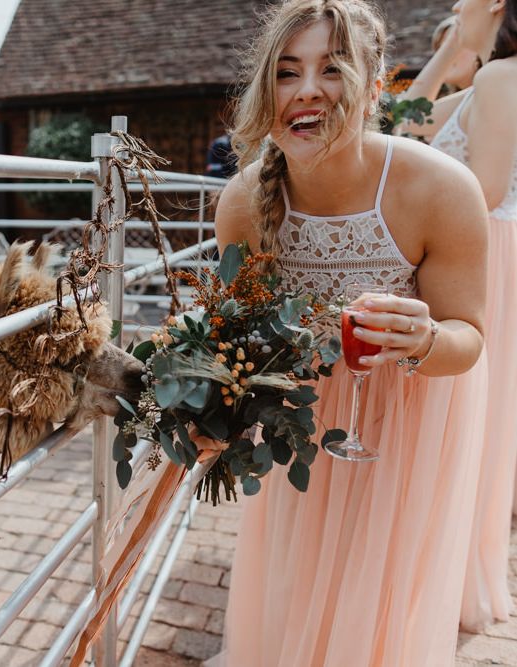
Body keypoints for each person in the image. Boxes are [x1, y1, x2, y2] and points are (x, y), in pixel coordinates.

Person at [198, 1, 490, 664]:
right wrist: (206, 406)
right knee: (296, 575)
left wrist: (420, 338)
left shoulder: (439, 189)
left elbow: (467, 339)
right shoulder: (242, 201)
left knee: (376, 593)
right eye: (286, 72)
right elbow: (239, 340)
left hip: (406, 422)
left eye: (332, 69)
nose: (306, 90)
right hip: (298, 425)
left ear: (373, 84)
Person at [396, 0, 517, 634]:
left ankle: (433, 581)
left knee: (458, 414)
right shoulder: (492, 80)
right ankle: (455, 571)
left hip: (480, 252)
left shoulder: (502, 79)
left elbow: (487, 190)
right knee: (486, 419)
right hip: (498, 253)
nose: (453, 5)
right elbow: (401, 125)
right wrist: (446, 56)